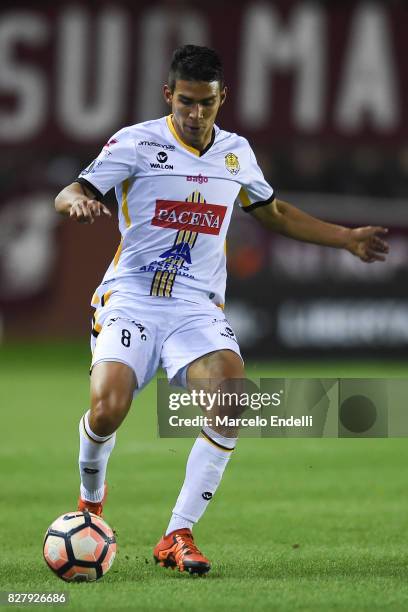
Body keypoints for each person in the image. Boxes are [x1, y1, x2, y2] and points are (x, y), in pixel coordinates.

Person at [54, 45, 389, 576]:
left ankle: (178, 533)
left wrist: (344, 237)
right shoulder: (136, 142)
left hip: (195, 306)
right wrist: (74, 201)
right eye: (185, 102)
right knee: (108, 409)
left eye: (206, 103)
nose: (195, 114)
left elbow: (273, 211)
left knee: (232, 400)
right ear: (169, 95)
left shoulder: (235, 153)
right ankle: (90, 505)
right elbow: (75, 187)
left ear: (221, 98)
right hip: (133, 297)